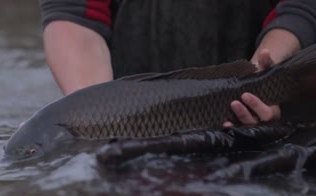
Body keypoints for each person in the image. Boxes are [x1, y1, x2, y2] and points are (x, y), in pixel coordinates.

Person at [38, 0, 316, 127]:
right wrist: (96, 118)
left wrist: (270, 69)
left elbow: (301, 7)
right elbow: (75, 14)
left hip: (269, 113)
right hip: (136, 116)